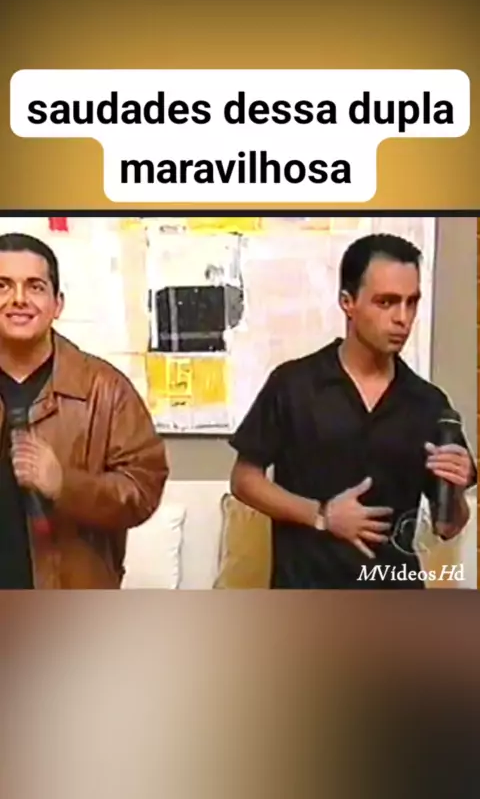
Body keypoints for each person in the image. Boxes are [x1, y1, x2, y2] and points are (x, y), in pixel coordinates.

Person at [229, 233, 477, 589]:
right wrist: (321, 516)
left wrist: (454, 491)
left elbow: (447, 526)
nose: (402, 318)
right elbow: (244, 480)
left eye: (411, 302)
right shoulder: (294, 384)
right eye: (386, 302)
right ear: (348, 302)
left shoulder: (429, 403)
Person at [0, 232, 169, 589]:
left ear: (57, 304)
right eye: (3, 286)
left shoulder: (105, 388)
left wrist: (65, 484)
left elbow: (143, 489)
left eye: (35, 287)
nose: (18, 299)